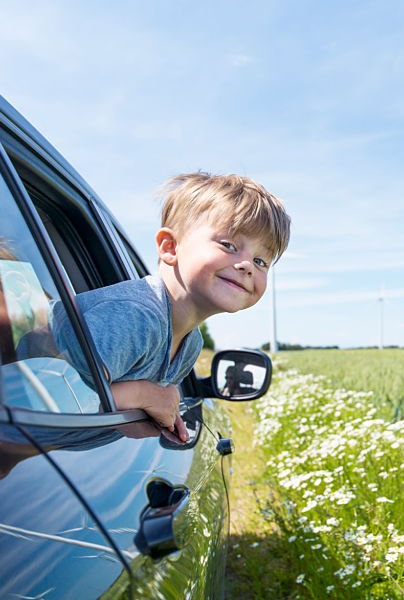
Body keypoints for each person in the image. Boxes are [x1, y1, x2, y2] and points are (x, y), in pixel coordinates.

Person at [49, 171, 290, 437]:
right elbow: (58, 399)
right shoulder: (137, 316)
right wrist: (146, 395)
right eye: (229, 244)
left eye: (261, 262)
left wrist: (159, 407)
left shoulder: (191, 344)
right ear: (170, 247)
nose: (246, 265)